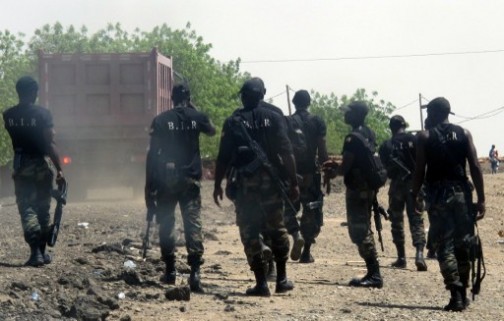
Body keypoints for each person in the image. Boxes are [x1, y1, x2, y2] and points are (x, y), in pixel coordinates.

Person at [213, 78, 300, 296]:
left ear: (243, 96)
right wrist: (294, 182)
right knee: (277, 227)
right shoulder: (274, 117)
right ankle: (281, 279)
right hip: (271, 183)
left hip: (245, 184)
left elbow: (223, 158)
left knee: (250, 231)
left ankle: (261, 284)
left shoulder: (233, 121)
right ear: (263, 94)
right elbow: (287, 152)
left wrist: (217, 184)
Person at [411, 97, 485, 311]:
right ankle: (463, 292)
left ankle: (455, 293)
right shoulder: (464, 133)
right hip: (462, 194)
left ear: (434, 113)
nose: (426, 117)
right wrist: (481, 199)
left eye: (428, 113)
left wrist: (415, 194)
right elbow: (475, 167)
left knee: (444, 245)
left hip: (438, 195)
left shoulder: (424, 137)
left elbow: (419, 171)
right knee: (464, 243)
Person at [145, 84, 216, 293]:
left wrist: (148, 185)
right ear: (188, 98)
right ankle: (195, 272)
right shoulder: (197, 117)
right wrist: (194, 109)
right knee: (192, 223)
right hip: (190, 180)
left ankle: (170, 270)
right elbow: (212, 130)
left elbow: (152, 154)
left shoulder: (161, 120)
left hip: (166, 182)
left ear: (171, 98)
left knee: (166, 223)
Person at [3, 76, 65, 267]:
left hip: (21, 164)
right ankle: (42, 252)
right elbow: (49, 142)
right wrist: (60, 170)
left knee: (26, 207)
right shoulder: (43, 114)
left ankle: (35, 253)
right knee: (42, 207)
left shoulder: (8, 115)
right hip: (42, 163)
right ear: (33, 92)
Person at [322, 101, 383, 288]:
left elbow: (346, 167)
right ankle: (373, 271)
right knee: (365, 226)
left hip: (357, 189)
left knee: (358, 230)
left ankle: (374, 274)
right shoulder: (369, 133)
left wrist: (333, 172)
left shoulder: (351, 138)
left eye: (348, 112)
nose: (344, 115)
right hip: (369, 187)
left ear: (356, 114)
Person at [283, 90, 329, 263]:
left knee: (288, 209)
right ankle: (306, 252)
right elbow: (322, 149)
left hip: (292, 174)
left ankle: (295, 233)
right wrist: (326, 168)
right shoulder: (317, 121)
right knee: (311, 211)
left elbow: (283, 149)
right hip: (311, 174)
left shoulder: (287, 121)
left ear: (294, 103)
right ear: (309, 103)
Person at [378, 115, 427, 271]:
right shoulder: (415, 139)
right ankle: (419, 254)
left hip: (397, 186)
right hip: (414, 184)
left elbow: (384, 168)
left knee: (396, 220)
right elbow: (423, 162)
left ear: (391, 127)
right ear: (404, 125)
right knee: (417, 219)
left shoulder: (386, 145)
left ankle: (401, 257)